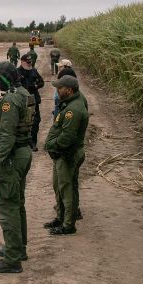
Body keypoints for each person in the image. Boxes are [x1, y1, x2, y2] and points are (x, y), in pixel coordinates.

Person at [0, 62, 34, 274]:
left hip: (12, 157)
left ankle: (12, 259)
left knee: (8, 206)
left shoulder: (11, 100)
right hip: (23, 153)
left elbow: (6, 136)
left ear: (5, 77)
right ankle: (18, 249)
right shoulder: (23, 93)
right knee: (17, 203)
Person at [43, 75, 89, 235]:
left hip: (67, 153)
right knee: (59, 186)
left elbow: (67, 137)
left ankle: (68, 225)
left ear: (69, 90)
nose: (57, 91)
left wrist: (53, 145)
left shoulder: (73, 110)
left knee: (66, 189)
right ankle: (61, 217)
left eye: (60, 88)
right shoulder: (74, 101)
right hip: (63, 153)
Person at [17, 54, 44, 152]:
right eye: (27, 63)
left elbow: (41, 82)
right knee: (23, 122)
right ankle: (23, 142)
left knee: (36, 121)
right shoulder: (17, 72)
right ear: (22, 62)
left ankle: (33, 142)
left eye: (30, 62)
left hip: (33, 100)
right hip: (22, 101)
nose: (29, 64)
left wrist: (35, 86)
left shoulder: (34, 71)